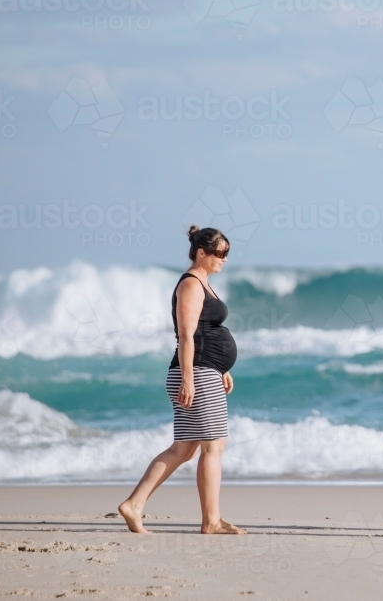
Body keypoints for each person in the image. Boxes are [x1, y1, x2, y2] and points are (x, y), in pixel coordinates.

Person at [119, 226, 245, 535]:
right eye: (220, 253)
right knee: (213, 446)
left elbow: (206, 331)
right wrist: (189, 379)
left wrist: (221, 367)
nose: (224, 259)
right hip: (195, 374)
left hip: (204, 371)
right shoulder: (190, 285)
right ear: (201, 253)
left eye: (227, 254)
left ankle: (134, 505)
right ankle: (211, 521)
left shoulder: (203, 282)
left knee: (184, 448)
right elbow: (186, 334)